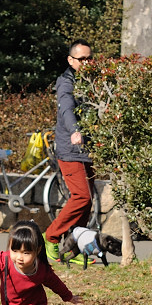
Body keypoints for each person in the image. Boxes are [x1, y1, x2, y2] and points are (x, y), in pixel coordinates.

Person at [44, 39, 95, 261]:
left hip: (88, 149)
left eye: (89, 58)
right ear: (70, 59)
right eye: (81, 59)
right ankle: (51, 237)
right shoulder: (66, 82)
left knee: (88, 201)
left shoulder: (93, 80)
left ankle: (72, 249)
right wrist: (75, 130)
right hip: (70, 148)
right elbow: (66, 108)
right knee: (81, 196)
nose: (86, 62)